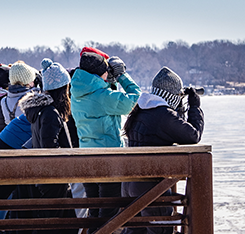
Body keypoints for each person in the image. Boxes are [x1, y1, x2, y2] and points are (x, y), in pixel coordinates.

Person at [121, 67, 204, 234]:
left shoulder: (142, 109)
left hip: (130, 183)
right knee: (161, 231)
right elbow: (193, 135)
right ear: (172, 95)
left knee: (135, 231)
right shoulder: (162, 115)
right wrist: (194, 107)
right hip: (151, 187)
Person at [70, 49, 141, 234]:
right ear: (99, 73)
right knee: (110, 212)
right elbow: (135, 99)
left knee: (95, 211)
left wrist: (110, 83)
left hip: (86, 158)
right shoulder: (102, 97)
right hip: (107, 160)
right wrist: (123, 77)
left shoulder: (77, 92)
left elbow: (107, 101)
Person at [19, 58, 77, 234]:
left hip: (47, 176)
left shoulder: (42, 111)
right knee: (55, 225)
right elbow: (49, 147)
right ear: (62, 88)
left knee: (59, 223)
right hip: (53, 178)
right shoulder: (50, 114)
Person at [0, 61, 39, 125]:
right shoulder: (33, 97)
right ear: (28, 81)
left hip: (13, 134)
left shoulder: (4, 101)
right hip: (30, 134)